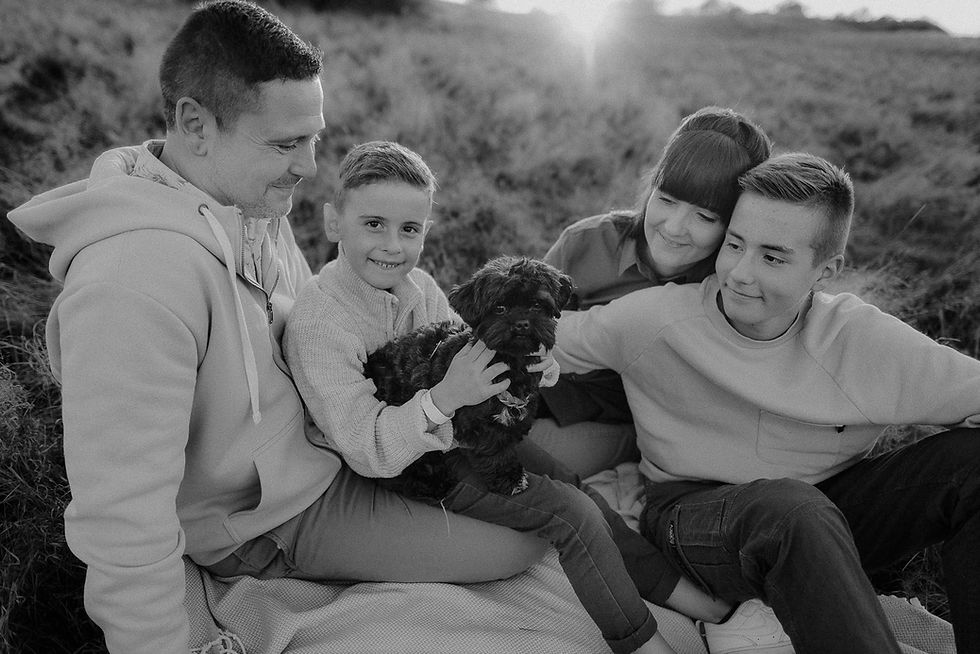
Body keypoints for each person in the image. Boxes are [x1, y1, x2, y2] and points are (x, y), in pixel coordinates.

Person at [5, 3, 539, 653]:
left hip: (335, 447)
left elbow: (325, 327)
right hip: (269, 519)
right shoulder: (130, 289)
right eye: (287, 143)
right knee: (521, 541)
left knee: (545, 475)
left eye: (314, 137)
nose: (311, 166)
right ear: (195, 126)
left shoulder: (249, 202)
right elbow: (121, 517)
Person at [282, 139, 740, 654]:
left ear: (425, 232)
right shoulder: (322, 323)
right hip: (413, 465)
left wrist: (535, 369)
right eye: (373, 224)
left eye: (409, 229)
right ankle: (640, 642)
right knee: (572, 515)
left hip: (468, 435)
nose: (392, 245)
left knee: (570, 482)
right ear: (331, 223)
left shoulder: (418, 287)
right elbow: (367, 449)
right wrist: (445, 398)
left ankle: (680, 594)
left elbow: (477, 352)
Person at [552, 152, 980, 653]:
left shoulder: (862, 340)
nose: (739, 273)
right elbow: (538, 337)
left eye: (773, 257)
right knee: (791, 510)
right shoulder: (652, 321)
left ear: (826, 270)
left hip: (828, 516)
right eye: (735, 245)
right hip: (691, 517)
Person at [531, 106, 773, 477]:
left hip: (636, 424)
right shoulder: (588, 243)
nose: (674, 228)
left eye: (705, 217)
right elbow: (529, 326)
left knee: (536, 457)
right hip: (552, 389)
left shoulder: (733, 288)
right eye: (666, 199)